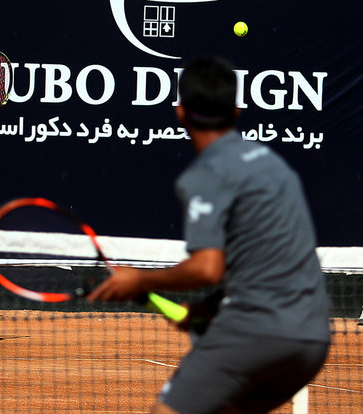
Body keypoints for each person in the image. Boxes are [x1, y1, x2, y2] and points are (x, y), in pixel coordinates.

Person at [88, 57, 331, 414]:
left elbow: (206, 268)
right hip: (312, 338)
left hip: (256, 333)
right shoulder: (275, 167)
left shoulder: (205, 176)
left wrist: (139, 279)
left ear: (180, 113)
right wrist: (207, 308)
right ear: (236, 111)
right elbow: (271, 260)